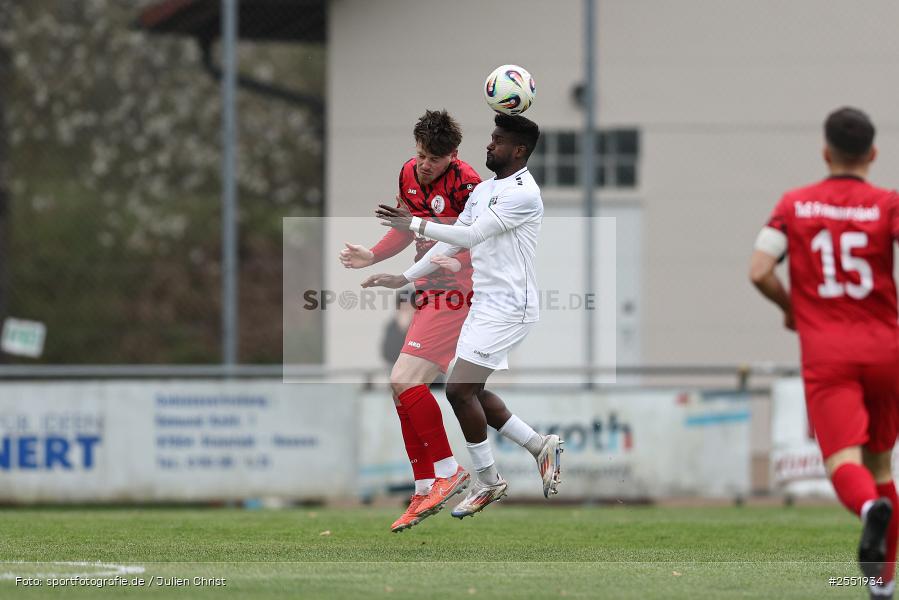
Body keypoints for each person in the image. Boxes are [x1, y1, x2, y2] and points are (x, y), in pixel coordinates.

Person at [365, 113, 563, 518]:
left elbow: (471, 235)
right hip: (483, 303)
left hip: (510, 307)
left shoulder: (524, 193)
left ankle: (487, 481)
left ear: (518, 150)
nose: (489, 144)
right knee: (471, 390)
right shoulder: (485, 190)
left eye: (498, 140)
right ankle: (538, 445)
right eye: (491, 137)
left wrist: (415, 223)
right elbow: (450, 246)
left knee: (458, 391)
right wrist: (403, 277)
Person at [750, 107, 899, 598]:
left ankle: (868, 511)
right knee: (881, 468)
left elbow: (759, 269)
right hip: (886, 349)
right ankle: (882, 585)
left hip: (828, 349)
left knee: (843, 461)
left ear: (825, 152)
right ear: (873, 154)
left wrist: (792, 308)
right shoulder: (888, 204)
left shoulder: (795, 204)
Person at [340, 109, 481, 532]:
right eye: (420, 154)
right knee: (401, 386)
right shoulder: (408, 173)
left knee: (405, 379)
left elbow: (477, 240)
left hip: (458, 293)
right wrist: (373, 254)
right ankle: (423, 486)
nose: (423, 165)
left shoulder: (468, 184)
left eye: (433, 159)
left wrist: (447, 265)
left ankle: (448, 471)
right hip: (428, 292)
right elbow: (406, 228)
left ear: (453, 155)